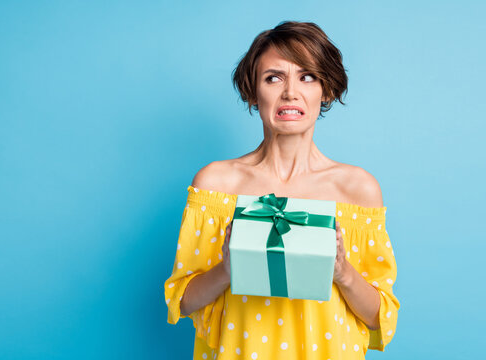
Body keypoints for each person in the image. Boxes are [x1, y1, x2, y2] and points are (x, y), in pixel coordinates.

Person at [164, 20, 400, 359]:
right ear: (253, 92)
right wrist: (227, 268)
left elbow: (380, 316)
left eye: (307, 77)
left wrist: (343, 272)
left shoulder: (357, 190)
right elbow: (183, 301)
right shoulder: (216, 185)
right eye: (273, 78)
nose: (290, 92)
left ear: (327, 90)